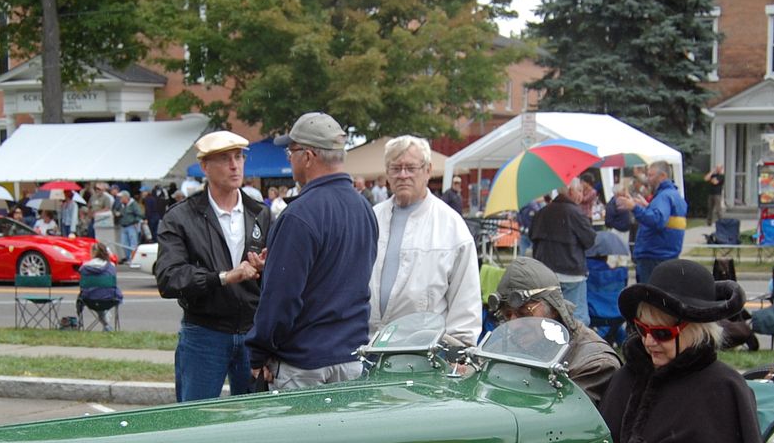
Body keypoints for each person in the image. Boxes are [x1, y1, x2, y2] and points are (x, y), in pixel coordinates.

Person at [599, 259, 774, 443]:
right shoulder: (629, 375)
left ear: (697, 330)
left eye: (661, 332)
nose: (649, 342)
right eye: (642, 329)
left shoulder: (721, 388)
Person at [247, 111, 377, 390]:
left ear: (307, 157)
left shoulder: (299, 215)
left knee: (297, 434)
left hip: (304, 363)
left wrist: (258, 352)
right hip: (351, 357)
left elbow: (282, 299)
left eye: (290, 152)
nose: (289, 159)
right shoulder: (364, 209)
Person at [154, 131, 272, 400]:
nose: (235, 165)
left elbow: (278, 279)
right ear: (205, 167)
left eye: (239, 157)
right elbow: (169, 278)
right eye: (224, 158)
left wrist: (267, 268)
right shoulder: (180, 216)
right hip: (204, 333)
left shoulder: (260, 213)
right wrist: (224, 277)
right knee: (194, 420)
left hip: (252, 332)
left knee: (256, 422)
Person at [367, 135, 481, 344]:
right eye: (395, 168)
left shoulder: (451, 226)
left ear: (427, 170)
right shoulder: (371, 219)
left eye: (411, 168)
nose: (403, 175)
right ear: (387, 173)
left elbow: (466, 303)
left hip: (422, 356)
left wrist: (460, 350)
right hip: (367, 348)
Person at [486, 258, 619, 407]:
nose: (513, 326)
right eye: (507, 314)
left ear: (554, 309)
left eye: (524, 313)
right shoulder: (501, 347)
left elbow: (560, 420)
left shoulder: (594, 364)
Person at [528, 176, 596, 315]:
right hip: (571, 273)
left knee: (550, 317)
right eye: (579, 191)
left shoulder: (543, 212)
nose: (581, 195)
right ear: (570, 191)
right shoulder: (575, 213)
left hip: (546, 274)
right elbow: (590, 240)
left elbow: (532, 236)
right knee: (576, 318)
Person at [619, 165, 687, 284]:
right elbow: (667, 219)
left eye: (651, 175)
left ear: (662, 176)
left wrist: (635, 208)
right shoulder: (674, 195)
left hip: (654, 256)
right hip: (667, 254)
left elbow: (658, 220)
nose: (648, 179)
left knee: (650, 296)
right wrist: (647, 207)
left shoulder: (664, 196)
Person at [117, 189, 145, 254]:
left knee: (133, 244)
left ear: (126, 197)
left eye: (121, 197)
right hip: (123, 226)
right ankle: (128, 258)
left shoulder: (133, 204)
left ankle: (132, 258)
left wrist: (135, 221)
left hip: (131, 226)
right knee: (124, 244)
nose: (120, 198)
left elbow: (140, 214)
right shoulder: (121, 205)